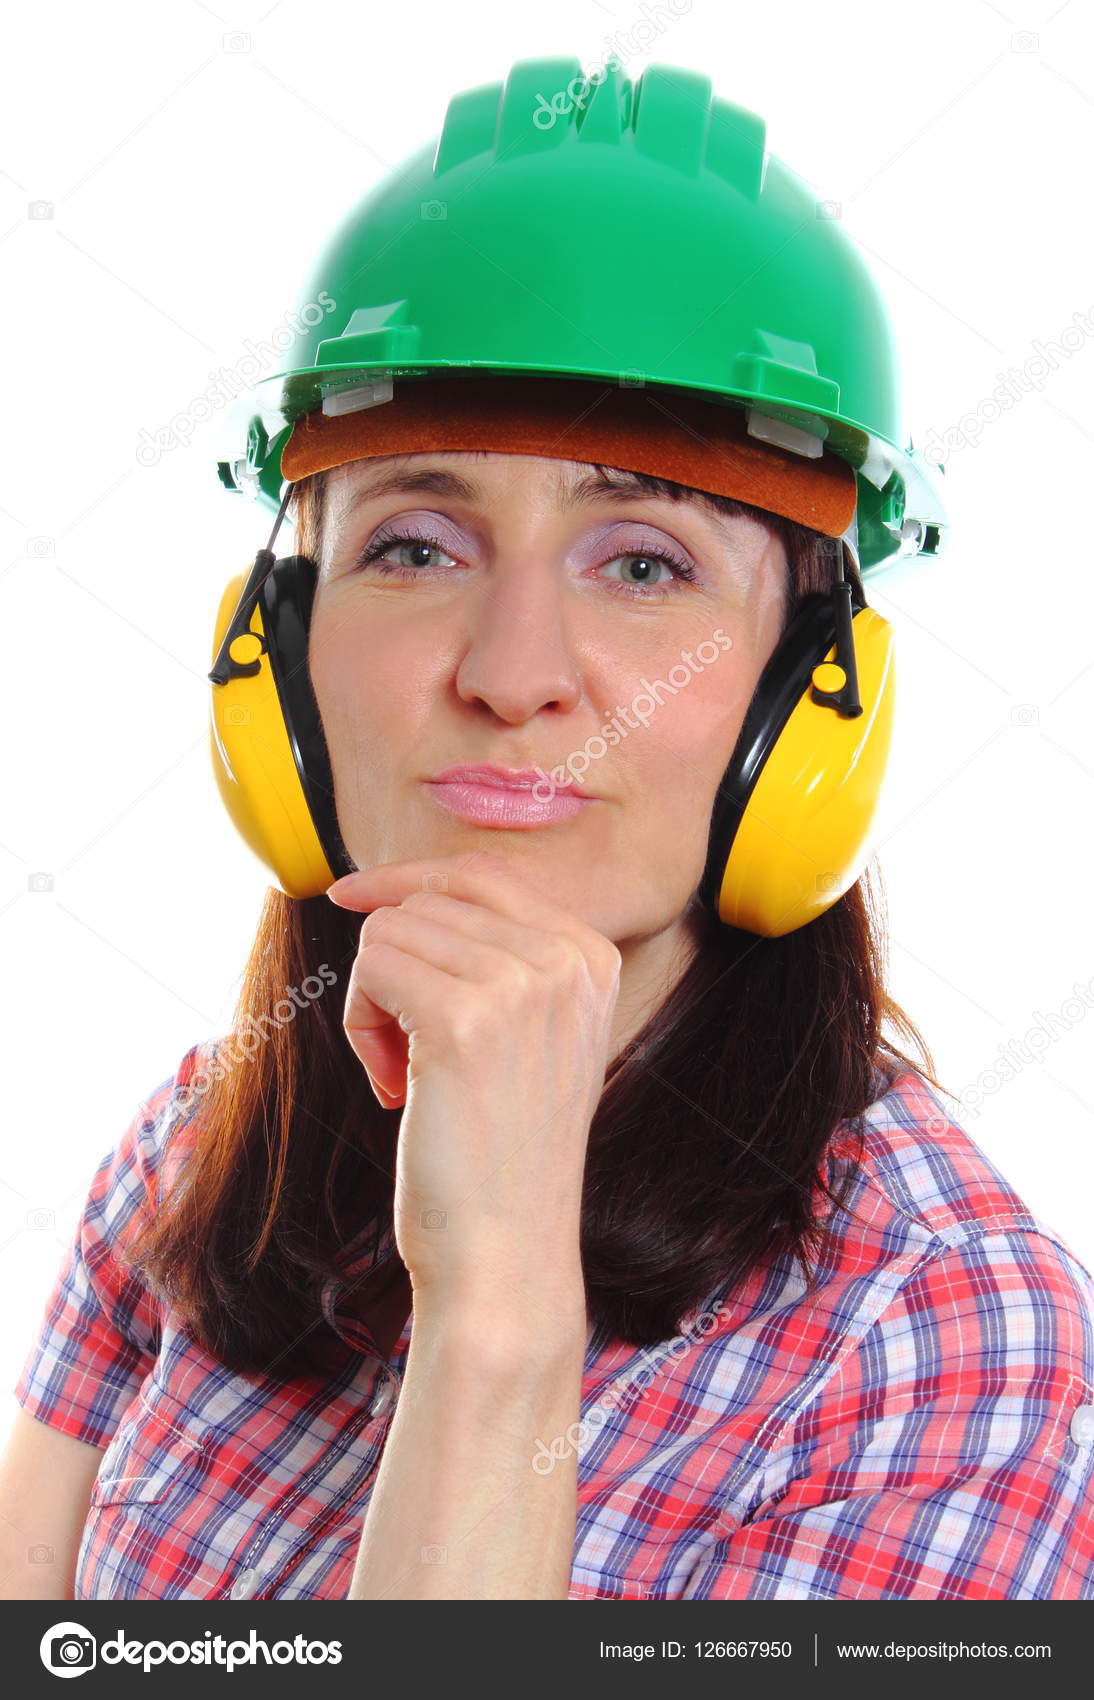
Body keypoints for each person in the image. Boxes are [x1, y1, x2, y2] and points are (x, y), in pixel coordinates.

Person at [5, 55, 1093, 1603]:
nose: (509, 675)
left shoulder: (950, 1351)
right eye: (415, 543)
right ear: (282, 661)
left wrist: (500, 1312)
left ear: (812, 691)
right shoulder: (203, 1135)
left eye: (642, 563)